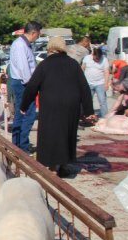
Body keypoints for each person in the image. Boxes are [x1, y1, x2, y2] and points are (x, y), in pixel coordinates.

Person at [20, 37, 94, 177]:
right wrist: (89, 110)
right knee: (67, 133)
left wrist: (24, 105)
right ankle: (64, 165)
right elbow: (84, 87)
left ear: (50, 49)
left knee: (51, 134)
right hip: (71, 104)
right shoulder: (73, 64)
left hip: (51, 103)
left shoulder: (45, 64)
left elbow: (32, 86)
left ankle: (52, 167)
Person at [9, 22, 41, 153]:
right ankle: (22, 146)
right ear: (33, 33)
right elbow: (24, 68)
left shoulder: (23, 44)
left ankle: (18, 145)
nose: (38, 37)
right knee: (28, 115)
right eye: (38, 34)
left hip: (23, 83)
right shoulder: (20, 45)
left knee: (20, 115)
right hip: (24, 84)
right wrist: (31, 86)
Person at [81, 47, 110, 118]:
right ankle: (87, 116)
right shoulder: (87, 58)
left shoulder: (104, 59)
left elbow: (106, 72)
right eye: (96, 58)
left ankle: (104, 117)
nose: (97, 60)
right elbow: (82, 69)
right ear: (92, 55)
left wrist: (106, 83)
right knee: (88, 101)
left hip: (100, 83)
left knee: (102, 101)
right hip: (88, 83)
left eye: (99, 58)